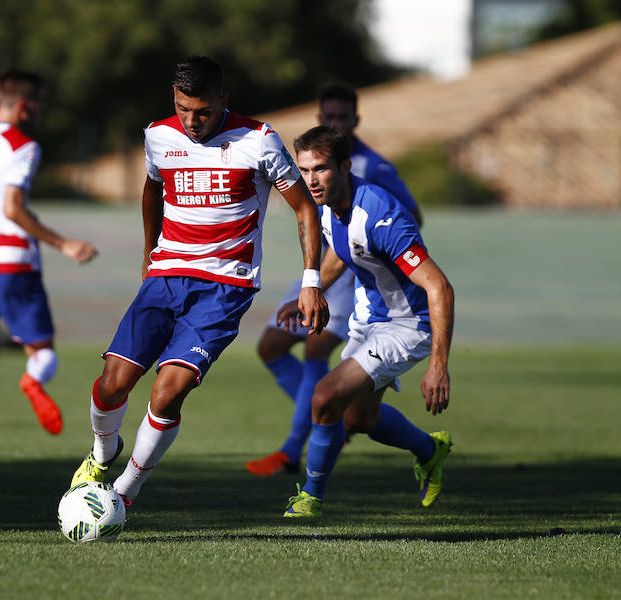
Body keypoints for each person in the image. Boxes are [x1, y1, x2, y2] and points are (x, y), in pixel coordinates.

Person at [69, 56, 326, 505]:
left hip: (225, 287)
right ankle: (100, 455)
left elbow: (305, 208)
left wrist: (311, 281)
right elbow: (153, 190)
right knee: (111, 384)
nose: (192, 121)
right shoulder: (158, 135)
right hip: (166, 277)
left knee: (167, 393)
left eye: (203, 111)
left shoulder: (259, 140)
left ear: (223, 102)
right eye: (183, 108)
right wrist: (150, 253)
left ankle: (124, 495)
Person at [246, 82, 423, 476]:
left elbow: (412, 218)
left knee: (313, 349)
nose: (336, 123)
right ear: (320, 119)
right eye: (330, 116)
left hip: (355, 276)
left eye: (343, 117)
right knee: (271, 346)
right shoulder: (314, 157)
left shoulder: (374, 168)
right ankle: (332, 419)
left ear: (356, 121)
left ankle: (294, 449)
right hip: (323, 265)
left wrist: (371, 249)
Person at [280, 126, 454, 517]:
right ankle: (430, 450)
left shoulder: (380, 216)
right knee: (360, 417)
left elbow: (440, 287)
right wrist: (309, 291)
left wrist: (438, 367)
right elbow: (342, 253)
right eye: (304, 170)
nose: (311, 180)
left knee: (325, 397)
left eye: (320, 169)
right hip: (370, 318)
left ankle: (310, 498)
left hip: (407, 324)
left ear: (344, 167)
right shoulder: (328, 207)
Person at [0, 68, 98, 460]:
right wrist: (63, 243)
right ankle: (32, 381)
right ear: (26, 106)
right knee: (43, 351)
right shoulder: (23, 146)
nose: (43, 111)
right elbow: (13, 208)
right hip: (10, 259)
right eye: (41, 104)